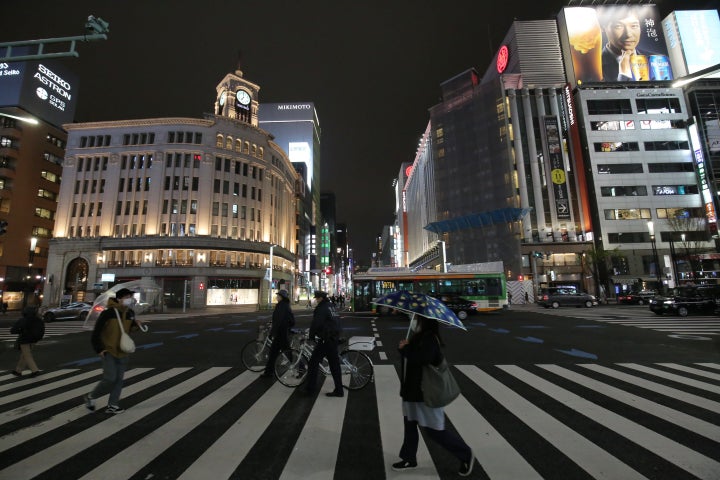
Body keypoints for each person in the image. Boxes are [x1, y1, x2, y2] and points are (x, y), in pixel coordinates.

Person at [392, 316, 474, 476]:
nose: (413, 320)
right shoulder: (419, 336)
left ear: (424, 321)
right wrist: (407, 347)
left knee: (435, 431)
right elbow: (415, 357)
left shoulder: (429, 338)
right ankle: (409, 458)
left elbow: (423, 358)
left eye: (416, 318)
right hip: (412, 391)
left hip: (425, 393)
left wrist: (405, 349)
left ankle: (466, 453)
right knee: (410, 424)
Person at [84, 288, 145, 414]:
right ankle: (91, 396)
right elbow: (97, 332)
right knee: (110, 378)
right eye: (127, 297)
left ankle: (113, 405)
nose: (130, 299)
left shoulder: (130, 313)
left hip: (123, 350)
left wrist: (137, 325)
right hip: (109, 350)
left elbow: (128, 331)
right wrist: (100, 349)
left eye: (130, 297)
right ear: (119, 298)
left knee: (119, 380)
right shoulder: (108, 313)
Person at [304, 290, 343, 397]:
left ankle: (310, 389)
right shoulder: (331, 306)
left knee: (313, 363)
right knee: (334, 365)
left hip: (326, 339)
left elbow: (316, 323)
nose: (316, 300)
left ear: (320, 298)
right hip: (333, 337)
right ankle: (339, 390)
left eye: (317, 298)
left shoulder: (321, 308)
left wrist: (311, 336)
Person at [600, 7, 646, 81]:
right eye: (618, 26)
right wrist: (624, 74)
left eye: (634, 26)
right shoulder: (592, 67)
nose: (628, 34)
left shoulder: (657, 60)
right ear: (603, 28)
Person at [261, 289, 295, 378]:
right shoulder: (284, 305)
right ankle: (268, 373)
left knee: (285, 352)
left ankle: (300, 366)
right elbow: (287, 320)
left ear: (282, 297)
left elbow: (279, 321)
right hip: (282, 332)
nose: (276, 297)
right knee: (275, 353)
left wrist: (272, 333)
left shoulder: (282, 306)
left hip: (281, 333)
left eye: (278, 296)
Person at [10, 306, 45, 377]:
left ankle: (35, 371)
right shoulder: (39, 320)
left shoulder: (23, 320)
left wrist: (20, 331)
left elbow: (13, 330)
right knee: (24, 355)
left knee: (27, 355)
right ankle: (18, 371)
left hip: (24, 340)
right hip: (34, 340)